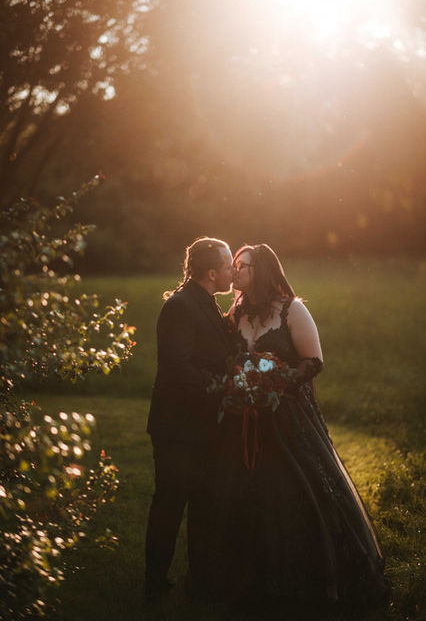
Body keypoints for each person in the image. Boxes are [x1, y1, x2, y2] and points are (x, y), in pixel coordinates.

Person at [196, 243, 388, 613]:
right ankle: (243, 577)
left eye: (243, 265)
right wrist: (242, 381)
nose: (235, 271)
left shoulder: (292, 310)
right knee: (242, 491)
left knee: (289, 491)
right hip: (245, 417)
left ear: (262, 270)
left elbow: (314, 362)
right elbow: (228, 357)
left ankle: (302, 577)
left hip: (287, 418)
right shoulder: (236, 312)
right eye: (233, 265)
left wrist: (277, 379)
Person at [145, 237, 233, 603]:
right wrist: (223, 391)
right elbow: (177, 367)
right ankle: (154, 583)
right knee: (170, 504)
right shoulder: (181, 306)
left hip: (203, 426)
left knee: (204, 504)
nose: (232, 272)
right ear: (212, 273)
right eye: (229, 266)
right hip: (179, 427)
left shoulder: (209, 304)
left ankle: (201, 580)